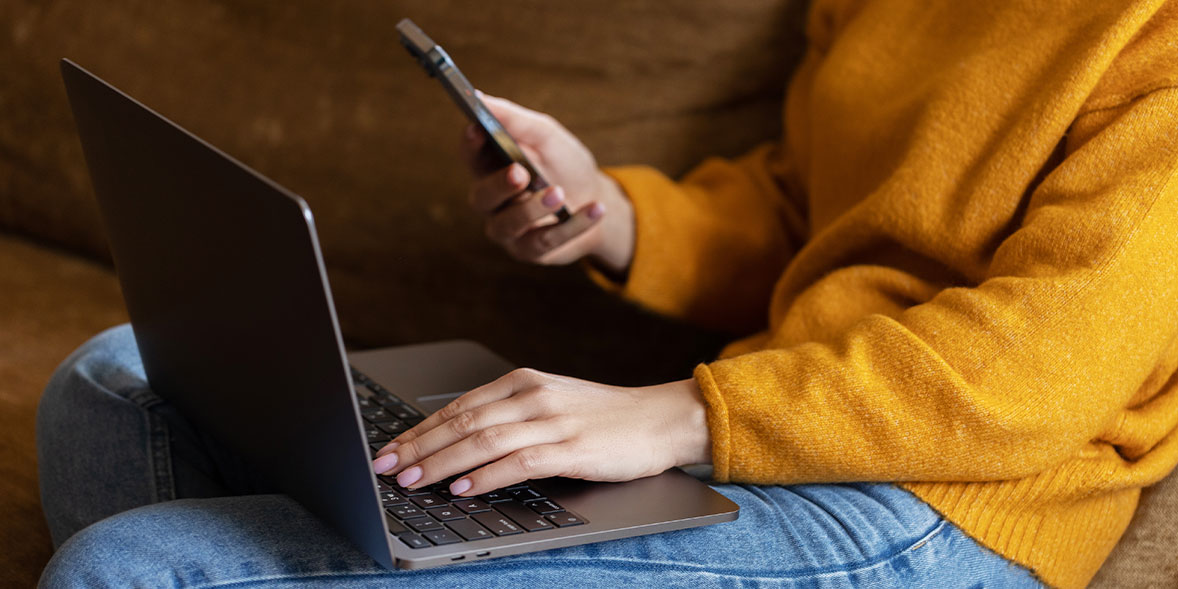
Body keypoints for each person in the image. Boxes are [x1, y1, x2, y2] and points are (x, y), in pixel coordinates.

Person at [36, 1, 1178, 588]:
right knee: (112, 381)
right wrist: (610, 215)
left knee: (134, 567)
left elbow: (1042, 370)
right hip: (773, 416)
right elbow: (815, 215)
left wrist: (673, 414)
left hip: (945, 505)